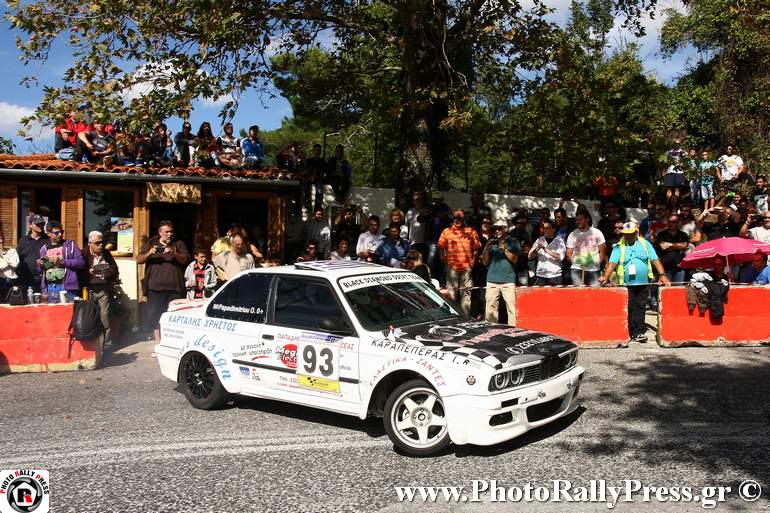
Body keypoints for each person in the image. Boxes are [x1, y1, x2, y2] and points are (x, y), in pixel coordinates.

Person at [599, 222, 671, 343]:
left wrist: (662, 275)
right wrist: (605, 276)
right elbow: (612, 263)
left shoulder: (645, 243)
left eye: (631, 234)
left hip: (642, 283)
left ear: (636, 232)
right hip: (626, 283)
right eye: (626, 234)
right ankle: (631, 331)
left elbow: (655, 259)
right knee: (631, 307)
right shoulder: (619, 246)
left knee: (640, 306)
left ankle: (638, 332)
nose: (628, 236)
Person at [136, 220, 189, 342]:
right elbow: (138, 259)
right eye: (167, 232)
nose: (170, 234)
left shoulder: (178, 243)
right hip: (155, 288)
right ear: (160, 233)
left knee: (174, 315)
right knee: (155, 316)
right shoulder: (151, 243)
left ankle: (172, 341)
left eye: (171, 231)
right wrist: (149, 253)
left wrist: (174, 252)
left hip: (175, 288)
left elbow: (185, 259)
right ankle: (159, 342)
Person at [81, 231, 119, 356]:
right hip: (89, 289)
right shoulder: (84, 253)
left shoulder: (106, 253)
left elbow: (115, 270)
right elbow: (79, 270)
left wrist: (105, 273)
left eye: (102, 242)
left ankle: (106, 345)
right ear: (90, 243)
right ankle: (91, 345)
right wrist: (88, 272)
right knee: (90, 317)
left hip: (103, 289)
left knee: (105, 318)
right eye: (97, 243)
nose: (101, 245)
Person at [437, 210, 481, 316]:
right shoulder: (446, 231)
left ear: (464, 219)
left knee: (466, 295)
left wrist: (473, 261)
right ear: (452, 219)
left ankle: (465, 318)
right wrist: (444, 259)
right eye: (455, 218)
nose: (457, 220)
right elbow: (440, 247)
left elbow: (477, 248)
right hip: (452, 267)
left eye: (460, 218)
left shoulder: (471, 231)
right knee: (451, 295)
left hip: (467, 268)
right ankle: (453, 318)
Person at [38, 221, 85, 302]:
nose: (60, 234)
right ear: (49, 233)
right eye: (56, 233)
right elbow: (42, 269)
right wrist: (40, 265)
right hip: (50, 288)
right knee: (52, 310)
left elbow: (81, 262)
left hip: (67, 287)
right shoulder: (44, 249)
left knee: (69, 309)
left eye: (61, 232)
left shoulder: (70, 245)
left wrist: (63, 262)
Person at [481, 223, 518, 324]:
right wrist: (486, 249)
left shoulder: (513, 241)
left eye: (499, 228)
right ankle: (491, 329)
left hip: (508, 279)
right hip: (492, 279)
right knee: (490, 309)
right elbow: (485, 262)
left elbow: (515, 260)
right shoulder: (491, 242)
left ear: (505, 229)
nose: (497, 231)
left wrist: (504, 249)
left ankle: (513, 329)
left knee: (511, 308)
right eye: (495, 229)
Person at [566, 210, 606, 286]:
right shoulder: (573, 234)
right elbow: (568, 253)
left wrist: (597, 263)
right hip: (577, 269)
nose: (578, 222)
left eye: (580, 219)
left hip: (593, 269)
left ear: (587, 219)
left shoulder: (597, 232)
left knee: (594, 291)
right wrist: (575, 263)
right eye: (577, 220)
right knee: (578, 291)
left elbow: (603, 251)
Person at [651, 214, 689, 284]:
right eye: (669, 221)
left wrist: (670, 245)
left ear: (678, 223)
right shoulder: (661, 234)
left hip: (679, 268)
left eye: (673, 222)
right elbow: (663, 247)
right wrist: (678, 247)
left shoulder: (683, 235)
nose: (671, 223)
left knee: (679, 289)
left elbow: (685, 245)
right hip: (665, 268)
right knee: (666, 289)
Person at [16, 214, 49, 293]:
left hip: (43, 280)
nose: (40, 225)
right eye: (37, 224)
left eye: (42, 223)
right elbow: (17, 259)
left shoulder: (48, 240)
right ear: (30, 225)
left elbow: (51, 260)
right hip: (25, 279)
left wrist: (45, 264)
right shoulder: (23, 240)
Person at [529, 219, 566, 286]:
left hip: (555, 275)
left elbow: (560, 257)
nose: (545, 230)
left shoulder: (559, 241)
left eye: (547, 228)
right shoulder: (539, 240)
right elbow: (530, 257)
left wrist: (545, 249)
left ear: (554, 229)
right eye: (544, 228)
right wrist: (537, 248)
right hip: (541, 275)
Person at [509, 215, 532, 286]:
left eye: (522, 223)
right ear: (515, 224)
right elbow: (509, 250)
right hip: (511, 268)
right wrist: (520, 251)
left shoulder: (526, 235)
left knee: (523, 288)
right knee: (511, 289)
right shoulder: (510, 235)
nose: (520, 225)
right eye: (518, 223)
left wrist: (520, 251)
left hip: (523, 267)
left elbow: (529, 250)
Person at [406, 191, 428, 257]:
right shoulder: (410, 212)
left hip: (424, 243)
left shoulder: (427, 211)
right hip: (412, 243)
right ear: (413, 201)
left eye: (420, 199)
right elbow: (406, 226)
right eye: (416, 200)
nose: (418, 201)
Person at [304, 143, 324, 208]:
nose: (317, 152)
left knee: (319, 190)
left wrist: (315, 177)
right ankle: (307, 202)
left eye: (318, 150)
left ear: (320, 152)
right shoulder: (309, 160)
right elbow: (306, 169)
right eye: (316, 150)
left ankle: (317, 206)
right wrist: (310, 177)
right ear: (313, 151)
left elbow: (322, 172)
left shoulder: (322, 161)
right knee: (305, 185)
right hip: (309, 178)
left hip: (318, 179)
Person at [0, 233, 19, 301]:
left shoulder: (11, 251)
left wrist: (3, 255)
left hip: (10, 282)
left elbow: (15, 264)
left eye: (2, 238)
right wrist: (7, 263)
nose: (1, 241)